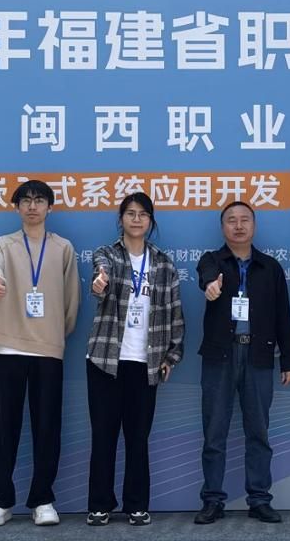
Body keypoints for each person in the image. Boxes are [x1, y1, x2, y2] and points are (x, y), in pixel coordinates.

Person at [0, 179, 80, 528]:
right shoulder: (3, 245)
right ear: (17, 207)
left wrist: (54, 334)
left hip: (48, 349)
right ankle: (1, 500)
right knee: (3, 427)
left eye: (39, 200)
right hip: (8, 346)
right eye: (26, 200)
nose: (32, 206)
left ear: (50, 207)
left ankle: (42, 499)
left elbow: (71, 300)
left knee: (47, 426)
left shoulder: (63, 248)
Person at [194, 201, 290, 525]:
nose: (238, 226)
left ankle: (259, 499)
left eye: (244, 220)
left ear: (254, 225)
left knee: (259, 432)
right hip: (220, 357)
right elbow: (206, 276)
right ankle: (212, 500)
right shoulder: (212, 261)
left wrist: (288, 360)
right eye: (231, 220)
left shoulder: (270, 268)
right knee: (214, 432)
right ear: (222, 227)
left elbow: (283, 316)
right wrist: (211, 286)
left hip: (258, 356)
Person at [85, 192, 185, 527]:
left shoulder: (164, 264)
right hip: (105, 360)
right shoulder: (107, 254)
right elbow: (100, 279)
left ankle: (137, 505)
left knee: (138, 438)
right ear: (121, 219)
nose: (137, 219)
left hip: (147, 363)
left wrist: (172, 355)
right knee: (103, 436)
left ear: (151, 221)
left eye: (143, 214)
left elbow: (175, 312)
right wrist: (100, 283)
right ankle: (99, 504)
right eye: (130, 213)